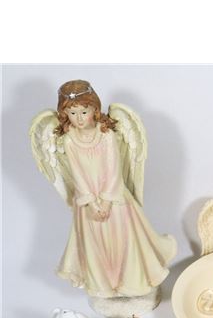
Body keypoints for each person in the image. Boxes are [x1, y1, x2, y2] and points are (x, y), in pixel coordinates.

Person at [51, 80, 176, 297]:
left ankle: (132, 283)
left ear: (95, 109)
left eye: (84, 112)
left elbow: (113, 169)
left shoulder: (106, 134)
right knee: (95, 243)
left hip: (114, 197)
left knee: (123, 240)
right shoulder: (70, 140)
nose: (79, 118)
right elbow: (77, 174)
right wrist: (91, 203)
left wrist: (107, 201)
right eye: (72, 113)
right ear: (64, 114)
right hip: (88, 201)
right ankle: (103, 286)